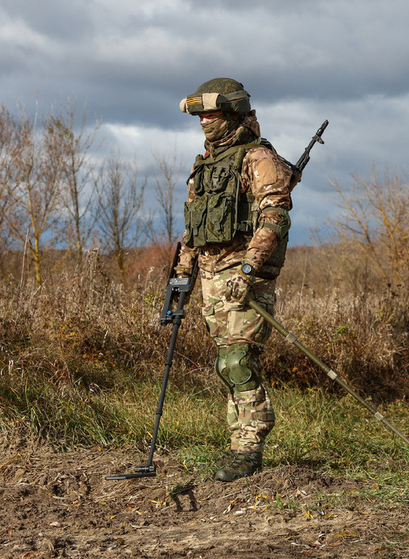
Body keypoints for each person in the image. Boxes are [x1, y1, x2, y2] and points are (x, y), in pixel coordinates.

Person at [174, 78, 298, 481]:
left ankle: (248, 448)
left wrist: (249, 268)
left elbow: (275, 216)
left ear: (231, 113)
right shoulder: (205, 164)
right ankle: (238, 443)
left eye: (210, 113)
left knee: (238, 359)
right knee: (225, 364)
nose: (204, 121)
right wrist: (181, 276)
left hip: (244, 276)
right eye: (200, 115)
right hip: (210, 278)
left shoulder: (258, 158)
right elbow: (191, 228)